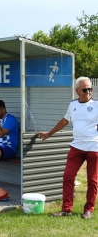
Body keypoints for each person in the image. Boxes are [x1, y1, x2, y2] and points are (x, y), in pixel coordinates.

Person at [38, 76, 98, 219]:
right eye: (85, 89)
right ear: (77, 91)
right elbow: (65, 121)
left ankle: (88, 209)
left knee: (93, 180)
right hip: (76, 146)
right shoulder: (73, 105)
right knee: (68, 176)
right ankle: (66, 209)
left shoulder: (96, 105)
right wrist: (49, 133)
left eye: (90, 89)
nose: (89, 92)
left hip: (94, 147)